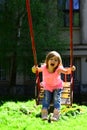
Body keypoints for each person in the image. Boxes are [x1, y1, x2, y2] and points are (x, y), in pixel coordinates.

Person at [32, 51, 76, 121]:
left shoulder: (58, 68)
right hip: (47, 86)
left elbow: (66, 71)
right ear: (47, 60)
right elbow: (36, 70)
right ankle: (44, 113)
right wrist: (34, 69)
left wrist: (71, 69)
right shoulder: (44, 67)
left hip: (57, 86)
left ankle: (56, 114)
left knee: (56, 98)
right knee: (46, 99)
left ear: (58, 63)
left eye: (56, 60)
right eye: (51, 59)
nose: (53, 61)